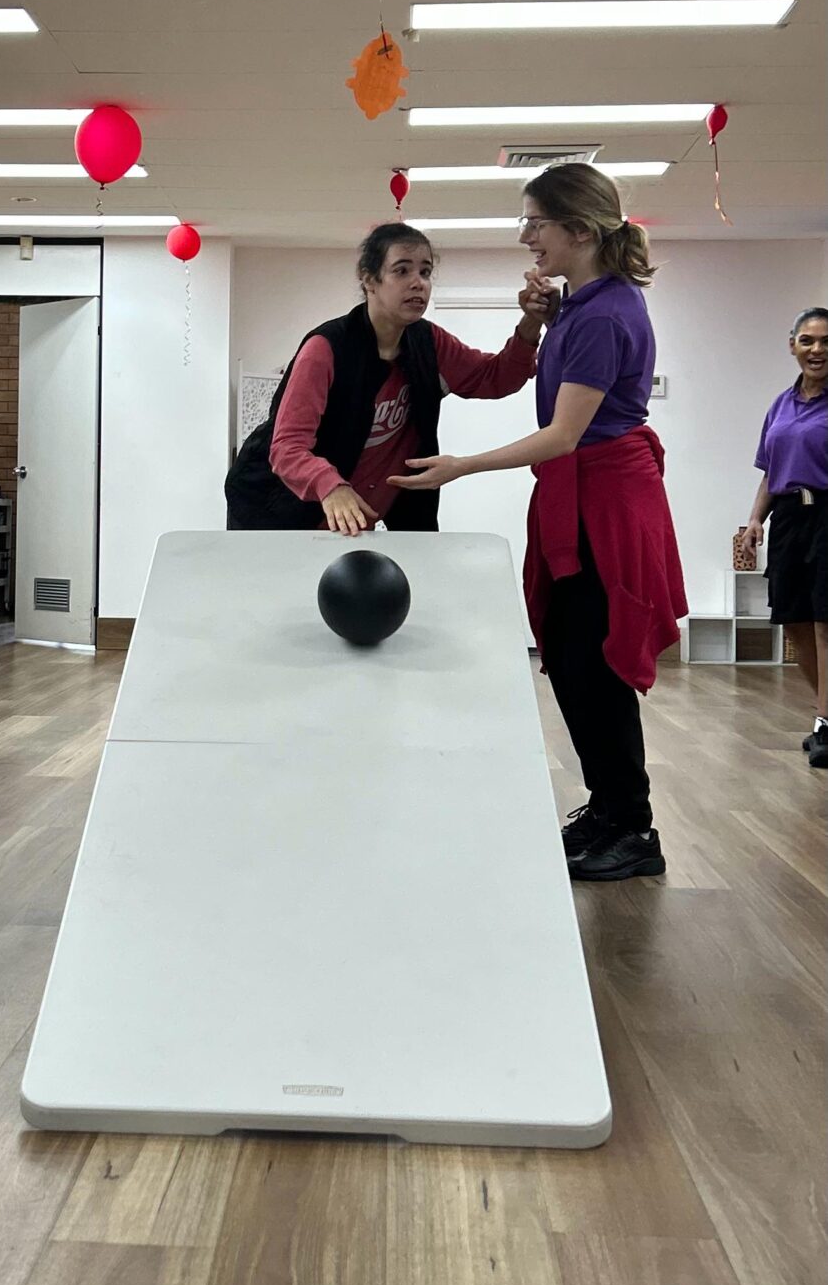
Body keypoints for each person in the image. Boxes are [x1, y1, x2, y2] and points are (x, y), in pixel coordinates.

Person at [389, 165, 686, 882]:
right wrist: (541, 320)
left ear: (579, 230)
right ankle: (610, 806)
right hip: (583, 495)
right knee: (571, 652)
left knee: (596, 662)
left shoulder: (605, 314)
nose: (526, 236)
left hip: (603, 501)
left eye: (536, 223)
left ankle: (631, 825)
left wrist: (459, 465)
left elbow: (561, 435)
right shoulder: (587, 305)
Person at [225, 221, 556, 534]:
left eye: (425, 272)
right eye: (402, 270)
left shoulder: (430, 343)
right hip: (281, 509)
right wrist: (331, 487)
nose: (418, 282)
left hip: (367, 514)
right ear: (369, 280)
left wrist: (531, 322)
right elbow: (287, 448)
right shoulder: (325, 349)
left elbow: (495, 378)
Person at [742, 305, 828, 769]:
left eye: (826, 342)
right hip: (789, 517)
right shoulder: (781, 404)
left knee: (824, 620)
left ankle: (824, 723)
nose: (817, 350)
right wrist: (756, 520)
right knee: (794, 618)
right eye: (808, 340)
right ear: (792, 344)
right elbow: (771, 472)